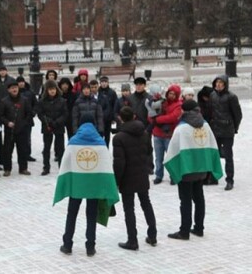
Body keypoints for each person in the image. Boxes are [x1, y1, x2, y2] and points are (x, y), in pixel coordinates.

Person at [54, 113, 119, 257]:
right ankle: (90, 246)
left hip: (76, 185)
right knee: (91, 215)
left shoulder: (73, 141)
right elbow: (106, 166)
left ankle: (67, 244)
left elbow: (65, 164)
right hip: (94, 186)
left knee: (72, 213)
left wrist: (66, 182)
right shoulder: (101, 143)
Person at [164, 100, 223, 240]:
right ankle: (199, 228)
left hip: (186, 170)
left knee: (185, 200)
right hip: (201, 169)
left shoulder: (181, 128)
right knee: (199, 198)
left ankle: (184, 231)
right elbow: (212, 145)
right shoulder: (206, 125)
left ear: (184, 111)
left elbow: (173, 150)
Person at [113, 107, 157, 250]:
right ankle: (153, 235)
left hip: (127, 177)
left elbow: (119, 163)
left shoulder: (119, 137)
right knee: (146, 204)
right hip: (142, 173)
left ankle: (132, 240)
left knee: (129, 208)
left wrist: (116, 180)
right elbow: (149, 151)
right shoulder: (144, 133)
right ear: (134, 116)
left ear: (120, 118)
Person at [209, 75, 242, 191]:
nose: (218, 84)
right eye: (217, 82)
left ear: (225, 84)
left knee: (228, 156)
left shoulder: (231, 97)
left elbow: (237, 114)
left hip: (227, 130)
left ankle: (229, 179)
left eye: (221, 82)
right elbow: (210, 112)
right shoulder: (212, 95)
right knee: (214, 154)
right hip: (215, 129)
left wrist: (234, 127)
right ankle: (214, 176)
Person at [150, 84, 182, 185]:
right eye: (170, 93)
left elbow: (173, 117)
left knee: (171, 157)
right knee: (158, 158)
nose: (171, 95)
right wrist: (153, 119)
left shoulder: (179, 105)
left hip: (170, 135)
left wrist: (158, 120)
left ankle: (173, 175)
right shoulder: (161, 102)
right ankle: (159, 175)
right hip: (157, 134)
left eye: (174, 94)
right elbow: (151, 115)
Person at [0, 81, 32, 176]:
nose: (14, 89)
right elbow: (1, 115)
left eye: (16, 87)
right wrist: (7, 122)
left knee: (22, 150)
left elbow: (29, 113)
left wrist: (24, 123)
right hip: (10, 130)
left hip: (22, 130)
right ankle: (7, 169)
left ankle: (23, 168)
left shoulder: (24, 100)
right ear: (8, 90)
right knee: (8, 150)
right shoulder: (4, 101)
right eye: (12, 88)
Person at [36, 80, 68, 175]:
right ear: (47, 91)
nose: (52, 91)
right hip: (47, 126)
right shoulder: (42, 101)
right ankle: (46, 167)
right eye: (50, 89)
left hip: (59, 126)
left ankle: (61, 167)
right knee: (46, 148)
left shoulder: (62, 100)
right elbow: (40, 114)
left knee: (60, 148)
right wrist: (49, 122)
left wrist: (58, 121)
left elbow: (65, 113)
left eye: (53, 89)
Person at [129, 77, 153, 172]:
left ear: (144, 86)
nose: (138, 87)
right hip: (133, 127)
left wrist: (149, 128)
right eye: (137, 85)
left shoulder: (149, 98)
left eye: (141, 85)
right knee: (134, 148)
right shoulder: (130, 98)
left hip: (146, 126)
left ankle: (149, 167)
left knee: (147, 147)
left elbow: (153, 114)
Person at [17, 76, 37, 162]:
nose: (21, 83)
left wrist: (33, 113)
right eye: (19, 82)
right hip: (17, 119)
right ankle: (21, 154)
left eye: (22, 81)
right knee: (19, 138)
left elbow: (35, 104)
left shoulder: (30, 92)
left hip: (28, 119)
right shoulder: (15, 92)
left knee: (27, 137)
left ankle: (28, 154)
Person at [97, 76, 118, 147]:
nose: (104, 84)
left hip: (108, 118)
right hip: (99, 118)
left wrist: (113, 118)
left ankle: (107, 148)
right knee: (99, 135)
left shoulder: (112, 92)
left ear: (108, 83)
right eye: (102, 82)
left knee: (107, 136)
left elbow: (115, 105)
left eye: (105, 82)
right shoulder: (97, 92)